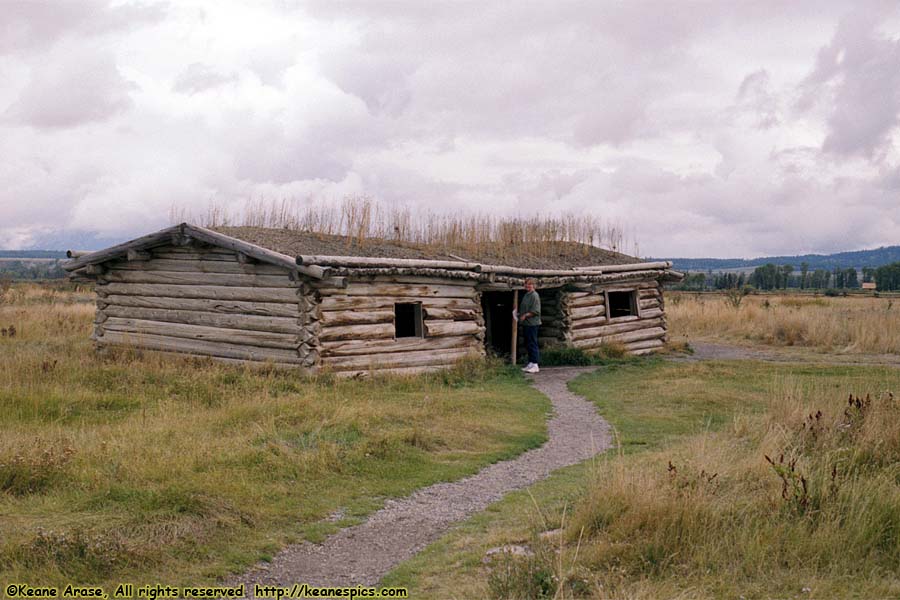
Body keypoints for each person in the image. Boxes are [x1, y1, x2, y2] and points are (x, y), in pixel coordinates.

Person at [517, 278, 541, 373]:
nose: (527, 286)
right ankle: (531, 363)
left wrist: (525, 315)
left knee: (532, 343)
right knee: (528, 343)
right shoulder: (527, 295)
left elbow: (536, 311)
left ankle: (535, 364)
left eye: (530, 284)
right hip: (526, 323)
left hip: (532, 324)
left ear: (533, 285)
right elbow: (525, 308)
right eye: (526, 284)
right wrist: (520, 314)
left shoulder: (534, 295)